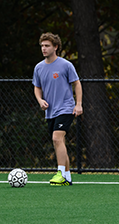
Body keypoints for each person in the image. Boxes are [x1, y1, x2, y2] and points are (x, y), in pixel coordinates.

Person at [32, 32, 83, 186]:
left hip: (66, 108)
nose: (44, 48)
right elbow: (37, 87)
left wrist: (78, 104)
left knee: (56, 138)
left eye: (47, 45)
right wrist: (40, 100)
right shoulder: (39, 67)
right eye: (42, 46)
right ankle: (67, 177)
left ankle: (60, 173)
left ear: (55, 47)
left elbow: (77, 83)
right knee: (59, 142)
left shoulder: (66, 65)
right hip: (50, 111)